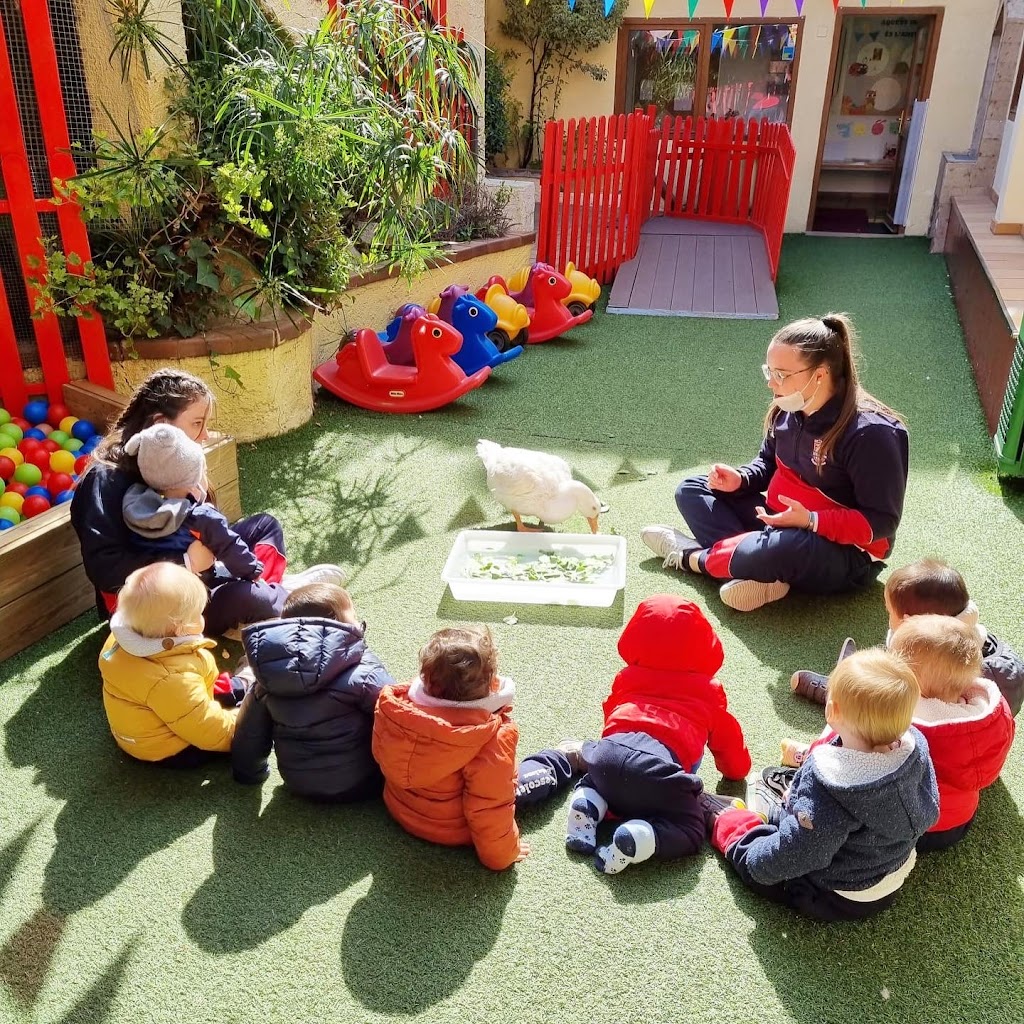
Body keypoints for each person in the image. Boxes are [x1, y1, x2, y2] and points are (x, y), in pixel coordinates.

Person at [641, 314, 909, 612]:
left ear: (820, 375)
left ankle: (692, 557)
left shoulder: (873, 433)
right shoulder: (788, 407)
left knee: (786, 547)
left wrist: (810, 520)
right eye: (769, 371)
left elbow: (881, 523)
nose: (771, 382)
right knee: (692, 489)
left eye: (781, 374)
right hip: (779, 520)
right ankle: (756, 568)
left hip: (844, 552)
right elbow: (767, 464)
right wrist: (741, 479)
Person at [71, 367, 343, 637]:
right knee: (248, 598)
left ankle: (264, 597)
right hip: (157, 608)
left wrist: (200, 502)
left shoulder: (177, 464)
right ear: (161, 425)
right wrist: (185, 562)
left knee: (265, 526)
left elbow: (205, 527)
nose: (205, 435)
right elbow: (104, 569)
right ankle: (272, 599)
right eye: (197, 423)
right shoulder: (105, 477)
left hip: (204, 573)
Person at [704, 648, 939, 921]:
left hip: (836, 894)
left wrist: (755, 863)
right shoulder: (915, 749)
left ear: (831, 711)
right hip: (886, 872)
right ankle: (789, 808)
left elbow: (800, 854)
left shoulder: (834, 790)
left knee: (757, 859)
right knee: (806, 820)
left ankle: (730, 821)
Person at [562, 595, 751, 875]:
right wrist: (737, 771)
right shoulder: (709, 692)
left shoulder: (626, 677)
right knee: (691, 828)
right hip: (660, 768)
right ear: (703, 645)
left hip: (608, 753)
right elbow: (730, 748)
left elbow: (610, 714)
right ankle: (641, 838)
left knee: (600, 781)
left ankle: (588, 802)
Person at [372, 625, 528, 871]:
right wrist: (504, 856)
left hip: (401, 811)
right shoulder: (490, 738)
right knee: (534, 774)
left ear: (426, 678)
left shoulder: (395, 709)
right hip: (453, 831)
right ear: (490, 683)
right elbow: (490, 807)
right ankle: (565, 759)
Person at [790, 558, 1024, 716]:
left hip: (946, 727)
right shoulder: (969, 634)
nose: (889, 619)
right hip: (995, 714)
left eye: (890, 613)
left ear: (910, 621)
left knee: (875, 705)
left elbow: (898, 701)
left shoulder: (929, 657)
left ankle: (841, 690)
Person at [231, 583, 395, 801]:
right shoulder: (363, 671)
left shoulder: (268, 678)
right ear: (339, 626)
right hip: (364, 779)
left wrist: (249, 774)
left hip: (298, 783)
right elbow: (396, 718)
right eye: (355, 619)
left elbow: (249, 734)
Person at [99, 562, 248, 766]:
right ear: (181, 628)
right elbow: (208, 730)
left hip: (158, 716)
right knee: (249, 719)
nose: (202, 616)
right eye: (198, 614)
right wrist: (245, 728)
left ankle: (235, 688)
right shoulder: (170, 679)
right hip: (167, 747)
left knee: (199, 699)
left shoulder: (119, 641)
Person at [888, 616, 1015, 852]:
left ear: (911, 681)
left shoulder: (905, 716)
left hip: (910, 827)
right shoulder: (987, 714)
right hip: (959, 823)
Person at [122, 423, 265, 584]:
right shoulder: (199, 517)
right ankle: (269, 587)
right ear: (192, 477)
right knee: (263, 592)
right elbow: (229, 546)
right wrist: (253, 571)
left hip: (162, 588)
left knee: (265, 523)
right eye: (203, 471)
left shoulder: (136, 507)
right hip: (202, 588)